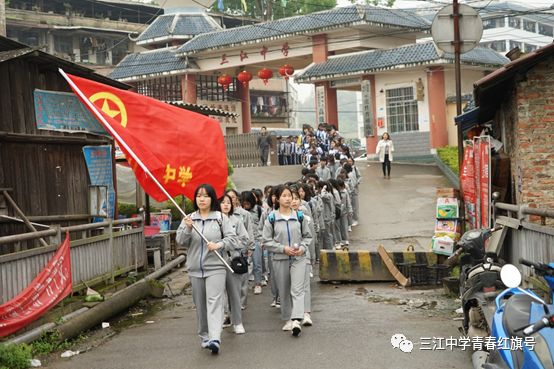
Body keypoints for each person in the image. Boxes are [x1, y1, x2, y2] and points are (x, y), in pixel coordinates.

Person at [176, 184, 237, 354]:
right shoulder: (189, 219)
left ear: (212, 199)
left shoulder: (220, 218)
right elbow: (180, 241)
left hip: (216, 267)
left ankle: (215, 337)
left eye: (206, 196)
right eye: (199, 196)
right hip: (195, 268)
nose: (202, 199)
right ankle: (204, 335)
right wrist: (187, 228)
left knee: (214, 301)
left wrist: (219, 245)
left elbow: (233, 239)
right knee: (200, 304)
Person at [262, 185, 312, 337]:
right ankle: (287, 318)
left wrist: (303, 247)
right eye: (284, 195)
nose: (288, 198)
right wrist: (283, 248)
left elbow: (307, 236)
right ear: (277, 198)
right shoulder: (271, 218)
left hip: (298, 258)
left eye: (289, 195)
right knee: (283, 290)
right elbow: (266, 241)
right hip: (280, 258)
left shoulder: (299, 216)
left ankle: (296, 319)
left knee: (297, 289)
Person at [219, 194, 249, 335]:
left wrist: (228, 244)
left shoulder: (236, 221)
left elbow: (244, 240)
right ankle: (223, 317)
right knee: (218, 294)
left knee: (234, 293)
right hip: (216, 262)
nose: (226, 205)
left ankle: (237, 321)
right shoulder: (213, 220)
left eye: (228, 203)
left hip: (232, 261)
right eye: (223, 202)